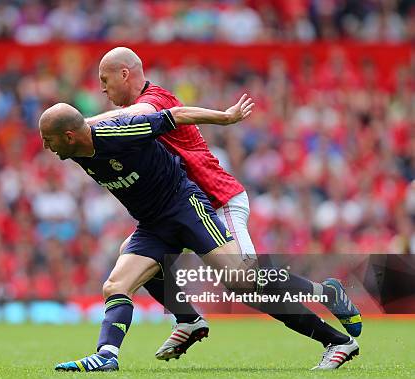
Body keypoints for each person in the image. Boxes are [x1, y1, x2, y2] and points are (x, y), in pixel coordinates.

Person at [39, 101, 360, 372]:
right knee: (115, 285)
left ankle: (332, 319)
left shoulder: (121, 131)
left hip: (185, 208)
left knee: (241, 280)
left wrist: (225, 117)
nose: (46, 147)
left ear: (68, 136)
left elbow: (174, 115)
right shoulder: (77, 142)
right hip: (152, 225)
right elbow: (85, 122)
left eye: (49, 140)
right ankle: (108, 355)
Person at [86, 47, 362, 361]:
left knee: (245, 282)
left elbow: (130, 118)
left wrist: (80, 124)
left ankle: (327, 299)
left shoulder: (153, 101)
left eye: (105, 80)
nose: (102, 88)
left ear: (125, 74)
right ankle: (188, 320)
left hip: (217, 201)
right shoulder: (143, 103)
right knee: (136, 256)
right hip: (181, 207)